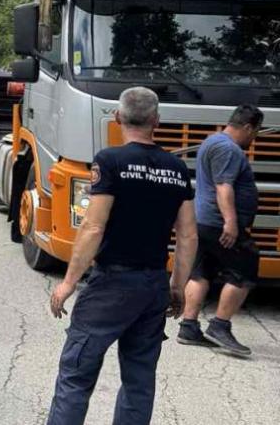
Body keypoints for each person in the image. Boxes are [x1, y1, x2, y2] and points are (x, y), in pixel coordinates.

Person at [47, 87, 198, 425]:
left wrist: (68, 282)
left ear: (117, 118)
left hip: (112, 284)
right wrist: (177, 287)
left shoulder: (110, 161)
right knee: (139, 381)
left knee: (76, 375)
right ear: (156, 121)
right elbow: (188, 234)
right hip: (153, 285)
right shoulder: (176, 168)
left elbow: (93, 227)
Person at [177, 104, 262, 357]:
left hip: (202, 221)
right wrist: (231, 222)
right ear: (247, 127)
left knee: (201, 272)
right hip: (218, 223)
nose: (254, 138)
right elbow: (224, 186)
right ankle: (220, 326)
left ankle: (188, 327)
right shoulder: (229, 150)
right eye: (254, 132)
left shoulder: (212, 141)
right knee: (245, 269)